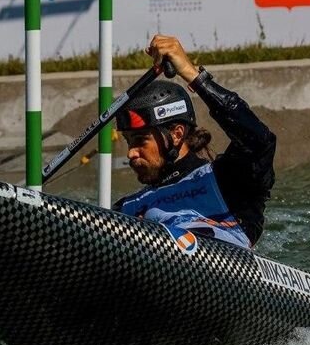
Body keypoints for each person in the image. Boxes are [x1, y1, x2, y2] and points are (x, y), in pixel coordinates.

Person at [113, 35, 276, 249]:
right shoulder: (126, 209)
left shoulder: (229, 180)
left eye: (140, 140)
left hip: (226, 271)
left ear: (177, 134)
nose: (131, 153)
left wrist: (193, 76)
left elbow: (259, 140)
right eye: (128, 141)